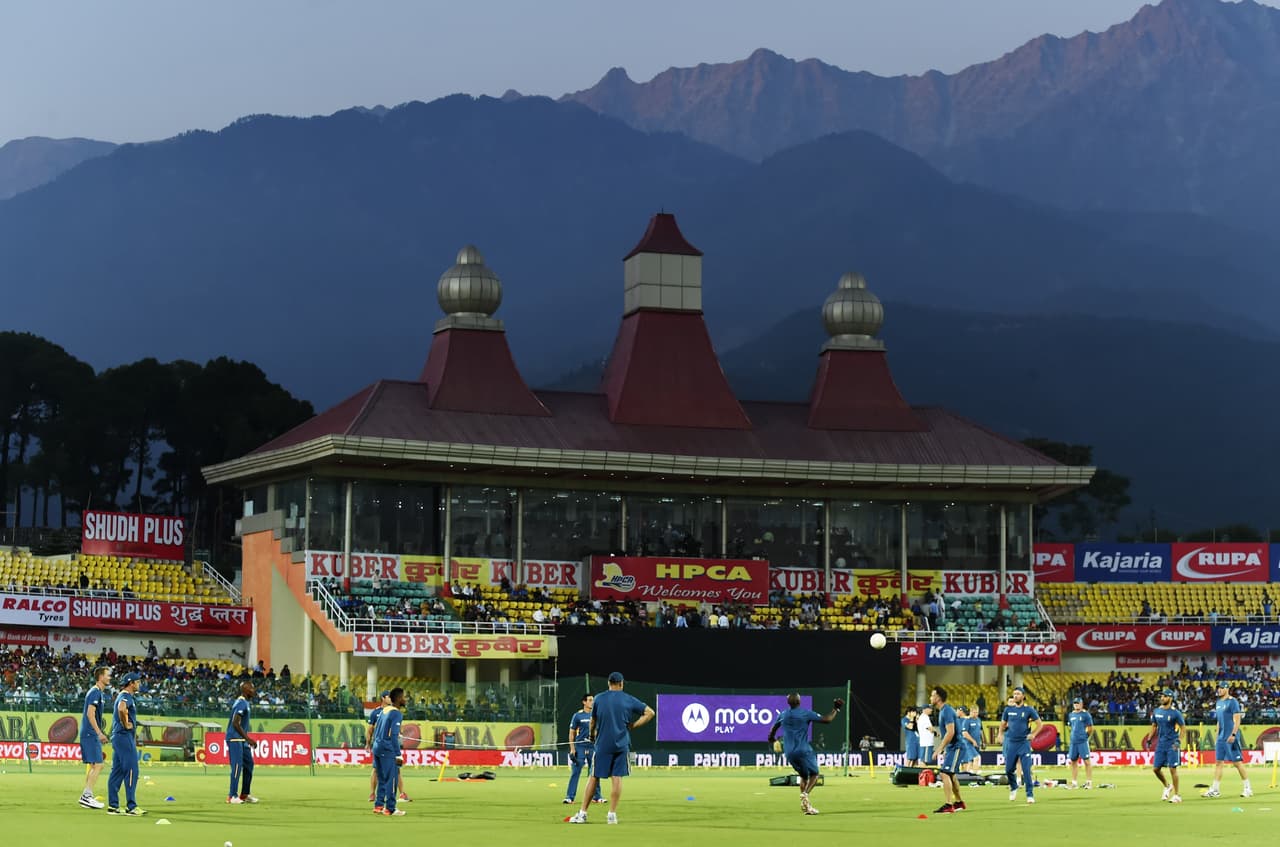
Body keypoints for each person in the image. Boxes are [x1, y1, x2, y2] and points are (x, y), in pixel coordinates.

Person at [568, 672, 654, 825]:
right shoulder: (628, 699)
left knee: (594, 776)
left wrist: (593, 736)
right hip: (621, 745)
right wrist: (633, 726)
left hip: (602, 744)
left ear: (608, 683)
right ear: (621, 683)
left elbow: (592, 721)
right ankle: (612, 815)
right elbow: (650, 713)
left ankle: (582, 814)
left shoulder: (599, 698)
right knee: (617, 777)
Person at [766, 693, 844, 815]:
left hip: (789, 752)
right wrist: (836, 709)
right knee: (815, 773)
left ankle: (806, 806)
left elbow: (772, 731)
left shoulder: (782, 714)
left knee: (803, 776)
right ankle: (805, 795)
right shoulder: (805, 713)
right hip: (803, 750)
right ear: (799, 701)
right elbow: (827, 719)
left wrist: (772, 739)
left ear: (788, 703)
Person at [1202, 683, 1252, 798]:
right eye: (1218, 688)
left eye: (1222, 688)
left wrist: (1233, 734)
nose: (1219, 690)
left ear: (1227, 689)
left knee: (1237, 763)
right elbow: (1219, 721)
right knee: (1219, 763)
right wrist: (1217, 737)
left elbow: (1237, 720)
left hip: (1231, 737)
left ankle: (1248, 788)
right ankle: (1215, 790)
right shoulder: (1218, 703)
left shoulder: (1233, 702)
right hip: (1221, 738)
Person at [106, 672, 145, 816]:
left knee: (117, 771)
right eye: (138, 682)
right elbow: (122, 708)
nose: (139, 684)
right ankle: (131, 806)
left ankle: (113, 806)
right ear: (131, 683)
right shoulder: (126, 696)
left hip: (119, 737)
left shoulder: (124, 696)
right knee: (131, 770)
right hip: (124, 736)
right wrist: (126, 723)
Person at [998, 686, 1040, 804]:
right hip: (1011, 743)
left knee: (1026, 770)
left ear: (1023, 696)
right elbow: (1003, 724)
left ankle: (1030, 795)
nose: (1015, 696)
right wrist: (1000, 734)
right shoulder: (1008, 710)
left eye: (1018, 694)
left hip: (1024, 743)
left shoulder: (1029, 710)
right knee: (1008, 769)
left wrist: (1033, 734)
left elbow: (1039, 724)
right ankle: (1014, 787)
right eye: (1014, 694)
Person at [78, 666, 112, 808]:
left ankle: (86, 796)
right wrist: (99, 733)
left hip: (89, 732)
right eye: (107, 675)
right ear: (100, 677)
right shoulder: (95, 693)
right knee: (99, 765)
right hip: (90, 733)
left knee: (94, 765)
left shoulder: (97, 693)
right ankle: (87, 795)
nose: (110, 677)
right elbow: (90, 714)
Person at [372, 687, 406, 816]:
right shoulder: (396, 713)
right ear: (398, 699)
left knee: (381, 777)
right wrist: (398, 754)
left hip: (377, 746)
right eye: (403, 697)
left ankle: (379, 805)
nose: (405, 699)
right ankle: (390, 808)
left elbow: (377, 729)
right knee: (391, 778)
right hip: (387, 748)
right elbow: (393, 735)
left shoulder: (384, 710)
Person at [564, 694, 603, 805]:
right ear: (584, 702)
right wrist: (572, 748)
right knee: (576, 772)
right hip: (580, 747)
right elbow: (572, 732)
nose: (592, 702)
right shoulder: (577, 716)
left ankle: (597, 796)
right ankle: (569, 797)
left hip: (593, 747)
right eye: (590, 700)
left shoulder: (597, 715)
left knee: (595, 772)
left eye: (593, 700)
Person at [931, 687, 965, 813]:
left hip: (957, 746)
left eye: (932, 695)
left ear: (938, 697)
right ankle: (959, 802)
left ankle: (948, 804)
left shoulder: (946, 711)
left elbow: (950, 732)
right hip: (953, 747)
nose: (930, 698)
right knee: (951, 775)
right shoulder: (944, 711)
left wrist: (939, 749)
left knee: (944, 773)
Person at [226, 681, 259, 804]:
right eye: (251, 688)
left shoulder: (245, 703)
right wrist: (248, 739)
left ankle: (245, 794)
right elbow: (235, 723)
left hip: (241, 740)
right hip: (235, 738)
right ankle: (232, 796)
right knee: (236, 766)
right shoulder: (241, 703)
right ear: (245, 690)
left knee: (249, 764)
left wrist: (246, 739)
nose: (253, 690)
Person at [1151, 688, 1185, 803]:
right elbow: (1154, 726)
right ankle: (1167, 786)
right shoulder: (1156, 711)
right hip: (1161, 744)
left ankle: (1177, 795)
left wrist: (1178, 741)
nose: (1162, 698)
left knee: (1172, 768)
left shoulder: (1175, 713)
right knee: (1156, 769)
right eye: (1161, 696)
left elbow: (1183, 728)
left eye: (1165, 696)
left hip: (1172, 744)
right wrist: (1150, 738)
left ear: (1170, 698)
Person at [1066, 697, 1094, 789]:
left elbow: (1090, 728)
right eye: (1075, 703)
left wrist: (1085, 737)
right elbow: (1072, 727)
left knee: (1087, 761)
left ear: (1081, 704)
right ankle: (1074, 783)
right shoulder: (1071, 715)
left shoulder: (1086, 715)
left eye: (1078, 703)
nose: (1076, 705)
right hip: (1073, 742)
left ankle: (1089, 782)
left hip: (1082, 741)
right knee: (1073, 761)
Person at [958, 705, 981, 775]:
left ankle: (966, 776)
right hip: (968, 743)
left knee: (970, 761)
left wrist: (983, 741)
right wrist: (973, 741)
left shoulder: (978, 720)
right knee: (976, 758)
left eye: (977, 712)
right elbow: (964, 733)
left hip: (976, 743)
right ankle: (975, 775)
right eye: (974, 712)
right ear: (970, 712)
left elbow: (980, 731)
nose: (975, 714)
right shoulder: (967, 721)